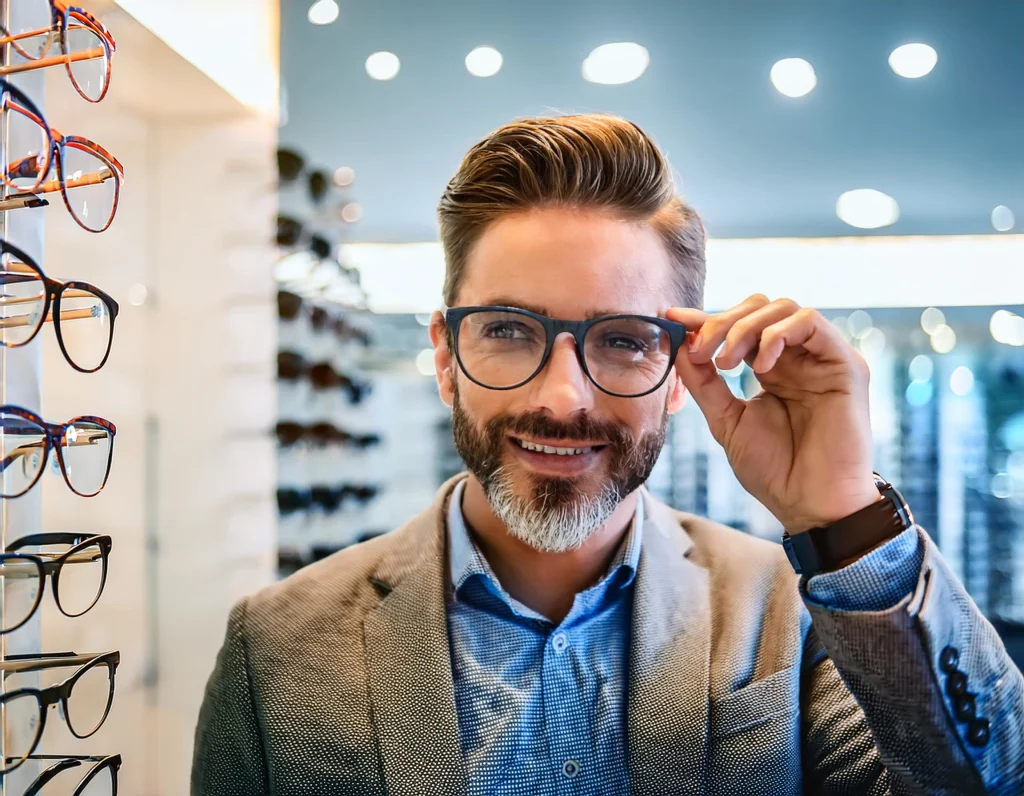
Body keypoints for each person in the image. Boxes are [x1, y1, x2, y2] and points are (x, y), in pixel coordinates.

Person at [191, 114, 1023, 795]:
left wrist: (844, 515)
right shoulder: (276, 649)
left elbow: (985, 781)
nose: (562, 398)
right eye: (510, 332)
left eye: (622, 341)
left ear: (677, 373)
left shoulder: (794, 613)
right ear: (446, 356)